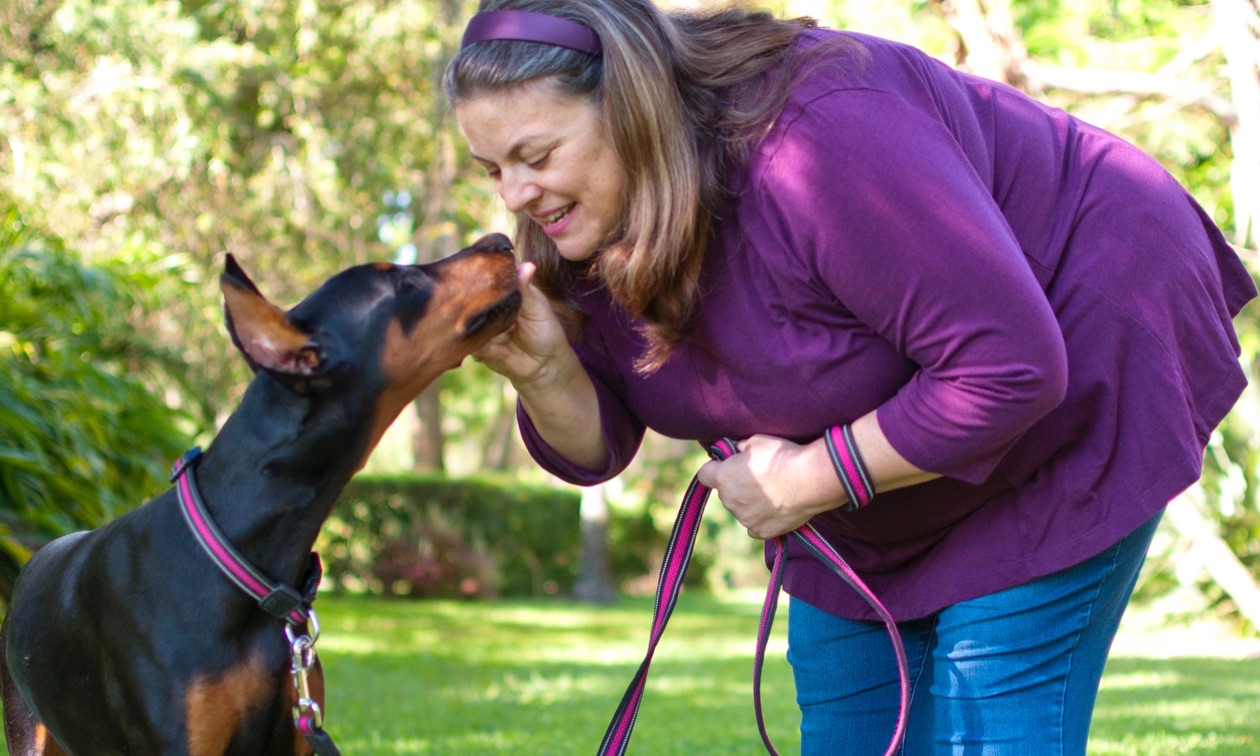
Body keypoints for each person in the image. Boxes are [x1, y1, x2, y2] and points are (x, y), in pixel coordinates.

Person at [444, 1, 1257, 752]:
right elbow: (601, 442)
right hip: (879, 467)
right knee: (847, 721)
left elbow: (1008, 369)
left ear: (631, 104)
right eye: (492, 170)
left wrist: (806, 477)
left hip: (1078, 351)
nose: (518, 195)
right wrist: (547, 370)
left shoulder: (818, 133)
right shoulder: (579, 218)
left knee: (993, 717)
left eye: (536, 156)